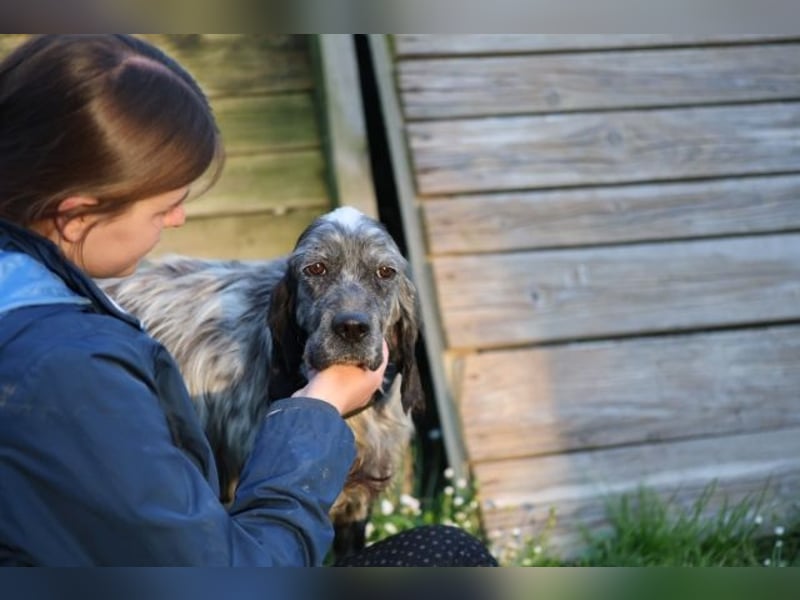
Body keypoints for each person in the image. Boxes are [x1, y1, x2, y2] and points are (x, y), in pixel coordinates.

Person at [0, 34, 497, 567]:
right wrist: (317, 413)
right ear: (76, 214)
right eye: (165, 205)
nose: (178, 220)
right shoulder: (70, 370)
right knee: (448, 555)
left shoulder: (39, 309)